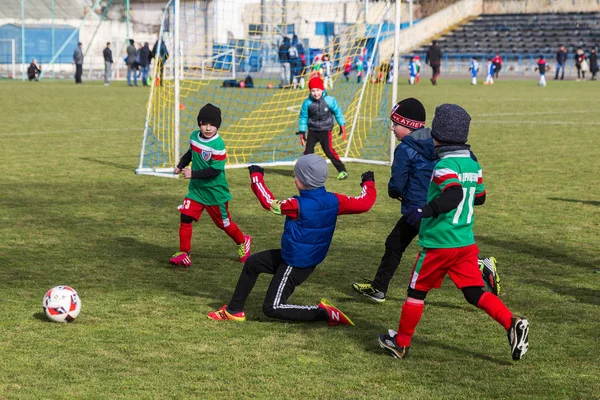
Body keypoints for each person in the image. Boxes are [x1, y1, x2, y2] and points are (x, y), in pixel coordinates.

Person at [377, 104, 529, 361]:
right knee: (474, 293)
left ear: (436, 135)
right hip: (465, 242)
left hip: (439, 243)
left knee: (416, 293)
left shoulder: (444, 165)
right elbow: (479, 197)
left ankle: (400, 343)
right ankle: (511, 322)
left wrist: (426, 210)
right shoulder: (471, 164)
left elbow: (454, 194)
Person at [352, 98, 500, 303]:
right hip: (441, 208)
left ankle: (479, 265)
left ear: (409, 126)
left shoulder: (405, 149)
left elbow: (396, 185)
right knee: (405, 244)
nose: (392, 128)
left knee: (407, 246)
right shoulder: (443, 142)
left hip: (418, 209)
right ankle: (379, 287)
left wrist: (396, 193)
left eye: (396, 124)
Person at [207, 154, 377, 323]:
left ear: (303, 180)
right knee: (252, 263)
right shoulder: (335, 200)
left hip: (296, 263)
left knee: (272, 308)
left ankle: (324, 313)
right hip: (296, 254)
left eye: (296, 175)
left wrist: (256, 177)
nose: (294, 178)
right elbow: (365, 203)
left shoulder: (297, 205)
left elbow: (269, 203)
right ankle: (234, 310)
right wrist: (368, 183)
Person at [170, 103, 252, 267]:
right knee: (185, 216)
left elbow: (214, 171)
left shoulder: (218, 145)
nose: (208, 128)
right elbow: (190, 153)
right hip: (197, 191)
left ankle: (243, 241)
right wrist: (180, 165)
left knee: (224, 224)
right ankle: (184, 253)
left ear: (217, 126)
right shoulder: (194, 136)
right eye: (204, 124)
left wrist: (193, 173)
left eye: (212, 125)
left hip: (215, 193)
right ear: (199, 123)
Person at [297, 77, 349, 180]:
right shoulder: (307, 103)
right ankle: (305, 172)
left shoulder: (330, 100)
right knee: (308, 152)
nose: (316, 93)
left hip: (325, 130)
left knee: (329, 151)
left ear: (322, 89)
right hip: (312, 130)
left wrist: (342, 125)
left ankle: (342, 170)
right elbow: (303, 117)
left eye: (318, 90)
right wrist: (302, 132)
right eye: (313, 91)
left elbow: (337, 113)